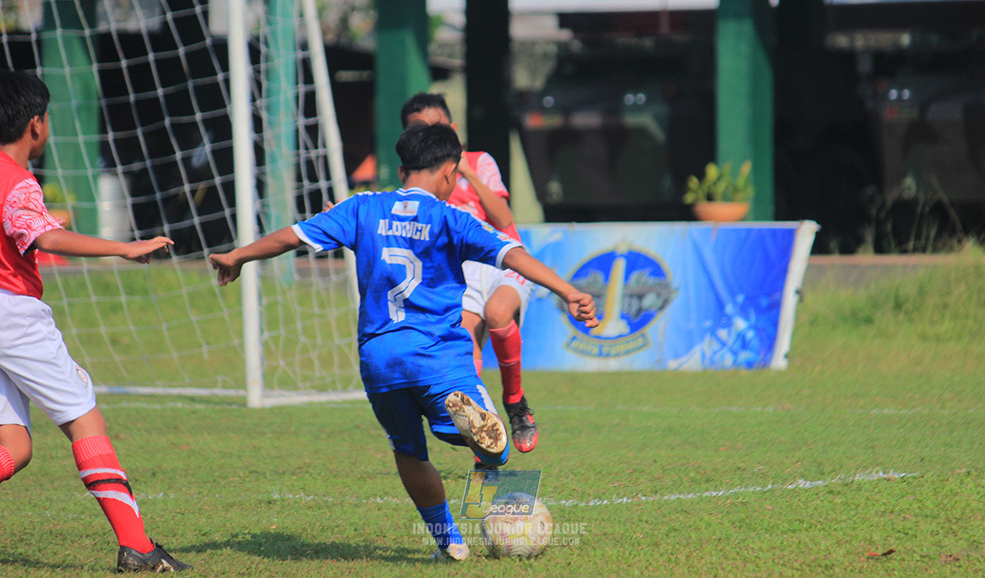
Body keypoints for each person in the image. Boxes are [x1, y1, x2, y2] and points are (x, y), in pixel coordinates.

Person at [209, 123, 597, 561]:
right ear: (451, 173)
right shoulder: (452, 217)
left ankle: (449, 543)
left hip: (380, 358)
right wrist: (569, 291)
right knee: (498, 450)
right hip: (437, 354)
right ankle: (479, 430)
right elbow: (512, 253)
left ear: (401, 168)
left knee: (408, 452)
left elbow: (292, 236)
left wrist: (237, 255)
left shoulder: (362, 207)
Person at [0, 70, 190, 573]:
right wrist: (125, 247)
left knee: (14, 448)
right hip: (11, 314)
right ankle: (138, 547)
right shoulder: (15, 181)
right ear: (36, 124)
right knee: (84, 417)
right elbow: (45, 238)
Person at [400, 93, 540, 455]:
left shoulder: (480, 161)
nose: (430, 135)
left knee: (497, 315)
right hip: (462, 274)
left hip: (505, 259)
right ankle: (487, 444)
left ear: (454, 129)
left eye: (436, 127)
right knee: (465, 355)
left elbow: (504, 219)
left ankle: (516, 403)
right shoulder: (417, 179)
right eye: (419, 130)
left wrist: (464, 170)